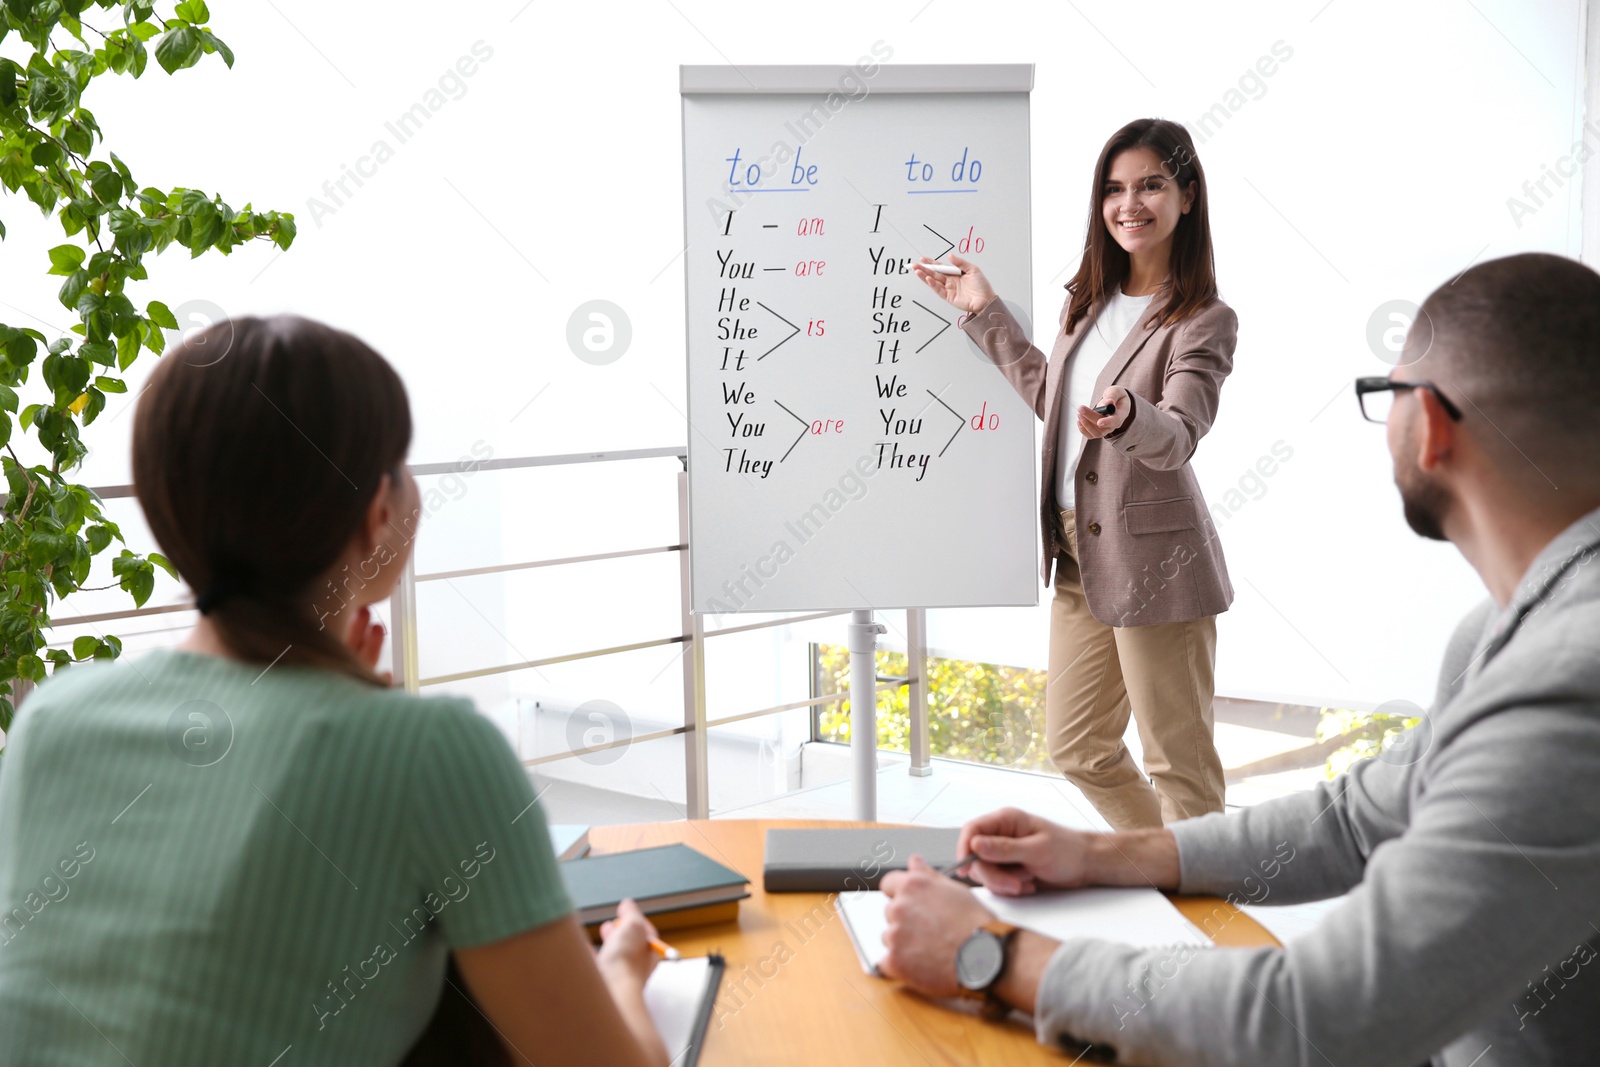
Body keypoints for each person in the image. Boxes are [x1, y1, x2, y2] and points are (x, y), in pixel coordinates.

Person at [878, 252, 1600, 1065]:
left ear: (1429, 425)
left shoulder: (1569, 676)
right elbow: (1360, 817)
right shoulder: (1507, 632)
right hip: (1086, 565)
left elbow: (1319, 1015)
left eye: (1384, 393)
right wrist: (1096, 854)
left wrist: (994, 955)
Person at [0, 316, 670, 1066]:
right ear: (379, 510)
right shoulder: (429, 750)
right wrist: (621, 970)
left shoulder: (51, 720)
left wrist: (332, 690)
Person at [914, 117, 1234, 831]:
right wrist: (985, 313)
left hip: (1156, 558)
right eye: (1114, 189)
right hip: (1076, 556)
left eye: (1151, 185)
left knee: (1177, 760)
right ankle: (1164, 863)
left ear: (1186, 195)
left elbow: (1179, 433)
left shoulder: (1203, 320)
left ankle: (1214, 924)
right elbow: (1052, 399)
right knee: (1077, 744)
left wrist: (1127, 415)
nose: (1130, 204)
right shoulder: (1085, 304)